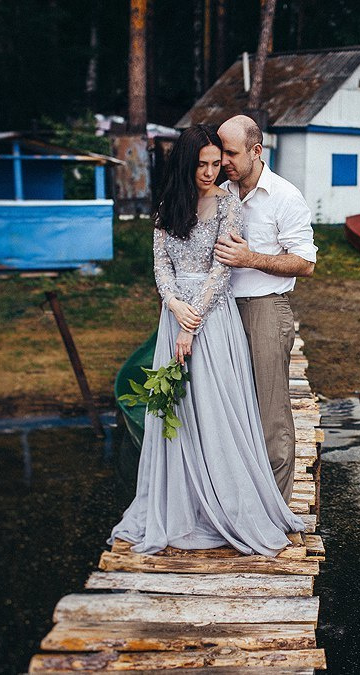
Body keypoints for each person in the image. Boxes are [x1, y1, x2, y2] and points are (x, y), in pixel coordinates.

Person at [108, 124, 304, 558]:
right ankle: (183, 503)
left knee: (217, 408)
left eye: (218, 163)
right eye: (203, 164)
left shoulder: (228, 204)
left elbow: (222, 271)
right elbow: (161, 264)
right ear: (187, 163)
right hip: (175, 314)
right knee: (179, 409)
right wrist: (173, 306)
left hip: (211, 319)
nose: (212, 172)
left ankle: (232, 502)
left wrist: (190, 324)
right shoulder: (167, 206)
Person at [214, 115, 317, 505]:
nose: (224, 161)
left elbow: (305, 263)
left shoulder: (285, 196)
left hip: (265, 310)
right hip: (220, 312)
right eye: (221, 152)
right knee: (230, 408)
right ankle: (238, 502)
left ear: (256, 151)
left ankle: (275, 509)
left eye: (231, 153)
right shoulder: (219, 193)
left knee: (270, 414)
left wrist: (250, 258)